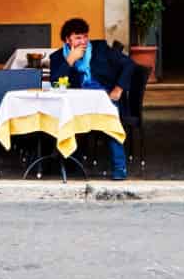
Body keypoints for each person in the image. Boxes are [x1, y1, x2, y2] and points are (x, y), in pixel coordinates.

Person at [46, 17, 131, 181]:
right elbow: (55, 85)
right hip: (77, 101)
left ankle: (119, 167)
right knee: (63, 114)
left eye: (85, 36)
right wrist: (70, 60)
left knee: (109, 116)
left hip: (103, 96)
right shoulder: (58, 57)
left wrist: (118, 89)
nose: (83, 41)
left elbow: (129, 64)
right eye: (78, 37)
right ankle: (71, 163)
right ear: (67, 40)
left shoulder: (100, 48)